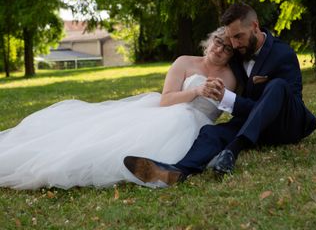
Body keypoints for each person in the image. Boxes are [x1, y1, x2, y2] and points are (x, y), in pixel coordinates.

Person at [0, 27, 236, 190]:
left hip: (200, 127)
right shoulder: (185, 61)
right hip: (170, 113)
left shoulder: (232, 78)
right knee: (110, 141)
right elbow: (166, 99)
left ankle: (160, 170)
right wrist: (196, 91)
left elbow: (230, 108)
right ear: (210, 40)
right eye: (218, 42)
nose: (220, 49)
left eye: (227, 48)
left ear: (232, 54)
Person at [124, 2, 316, 188]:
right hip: (256, 127)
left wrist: (229, 99)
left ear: (255, 26)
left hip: (287, 124)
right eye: (231, 38)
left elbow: (289, 102)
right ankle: (178, 171)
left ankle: (233, 149)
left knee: (277, 86)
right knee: (211, 132)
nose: (233, 44)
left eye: (238, 37)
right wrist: (219, 94)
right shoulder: (238, 54)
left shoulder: (282, 53)